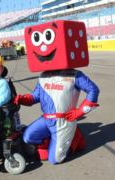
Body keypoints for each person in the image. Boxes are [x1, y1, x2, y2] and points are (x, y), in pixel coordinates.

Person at [14, 20, 100, 164]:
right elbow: (35, 97)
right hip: (46, 118)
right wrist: (22, 99)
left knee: (54, 160)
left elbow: (93, 90)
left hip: (64, 120)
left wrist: (80, 112)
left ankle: (75, 139)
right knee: (28, 137)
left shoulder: (75, 75)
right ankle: (55, 141)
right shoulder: (43, 76)